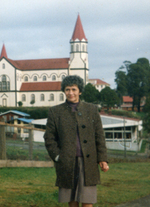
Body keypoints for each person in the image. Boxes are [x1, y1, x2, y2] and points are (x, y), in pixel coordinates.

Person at [44, 75, 109, 207]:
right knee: (72, 201)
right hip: (67, 162)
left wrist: (102, 159)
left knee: (87, 201)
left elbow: (99, 136)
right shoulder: (55, 111)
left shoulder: (91, 109)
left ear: (80, 91)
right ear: (64, 91)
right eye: (67, 89)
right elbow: (49, 138)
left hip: (88, 163)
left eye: (74, 89)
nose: (70, 93)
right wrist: (57, 156)